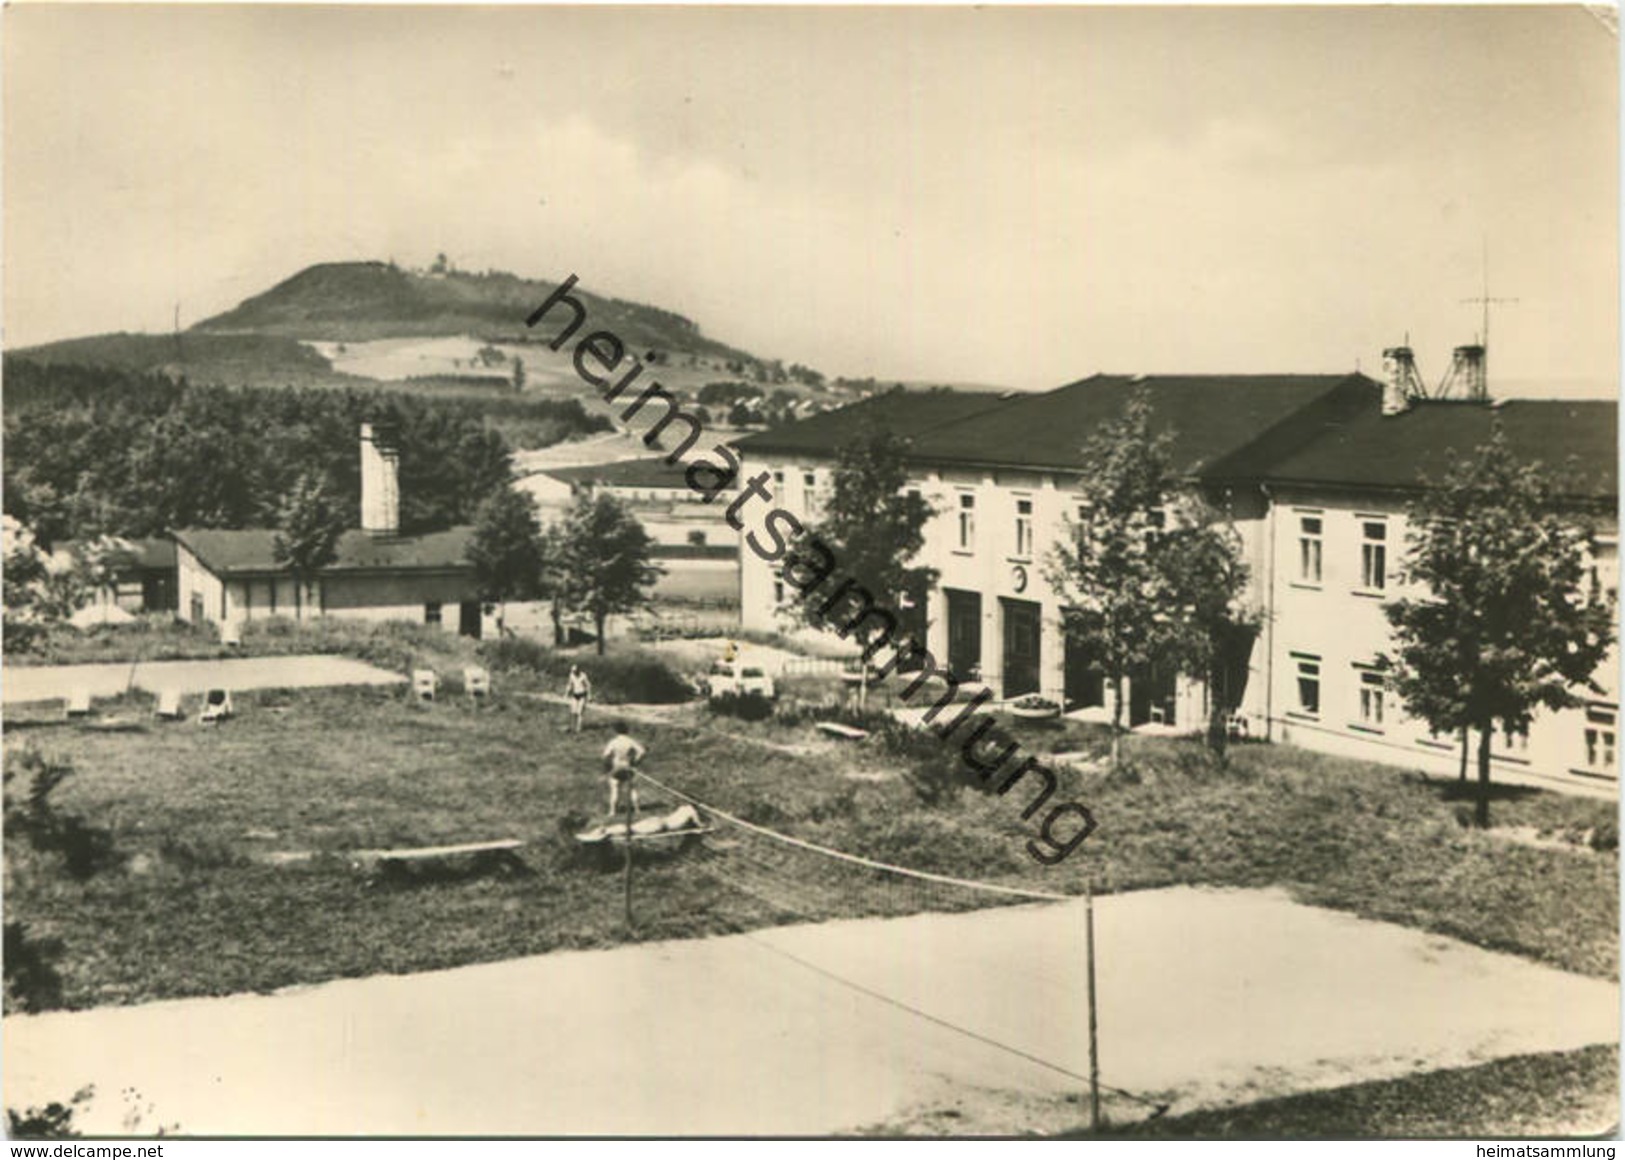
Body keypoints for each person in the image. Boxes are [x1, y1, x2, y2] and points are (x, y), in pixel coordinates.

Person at [601, 721, 645, 817]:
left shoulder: (614, 742)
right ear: (626, 730)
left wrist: (607, 767)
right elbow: (642, 751)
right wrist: (636, 761)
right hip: (628, 765)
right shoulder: (630, 741)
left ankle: (612, 811)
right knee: (632, 789)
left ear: (615, 731)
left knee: (615, 789)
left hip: (617, 766)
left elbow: (605, 755)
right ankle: (637, 809)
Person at [564, 664, 592, 734]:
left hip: (582, 695)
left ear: (578, 670)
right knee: (573, 712)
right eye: (573, 671)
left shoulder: (583, 676)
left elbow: (588, 685)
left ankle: (578, 729)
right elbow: (569, 685)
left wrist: (589, 695)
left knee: (580, 712)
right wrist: (566, 693)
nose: (574, 672)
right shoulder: (571, 675)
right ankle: (572, 727)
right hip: (575, 695)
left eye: (575, 671)